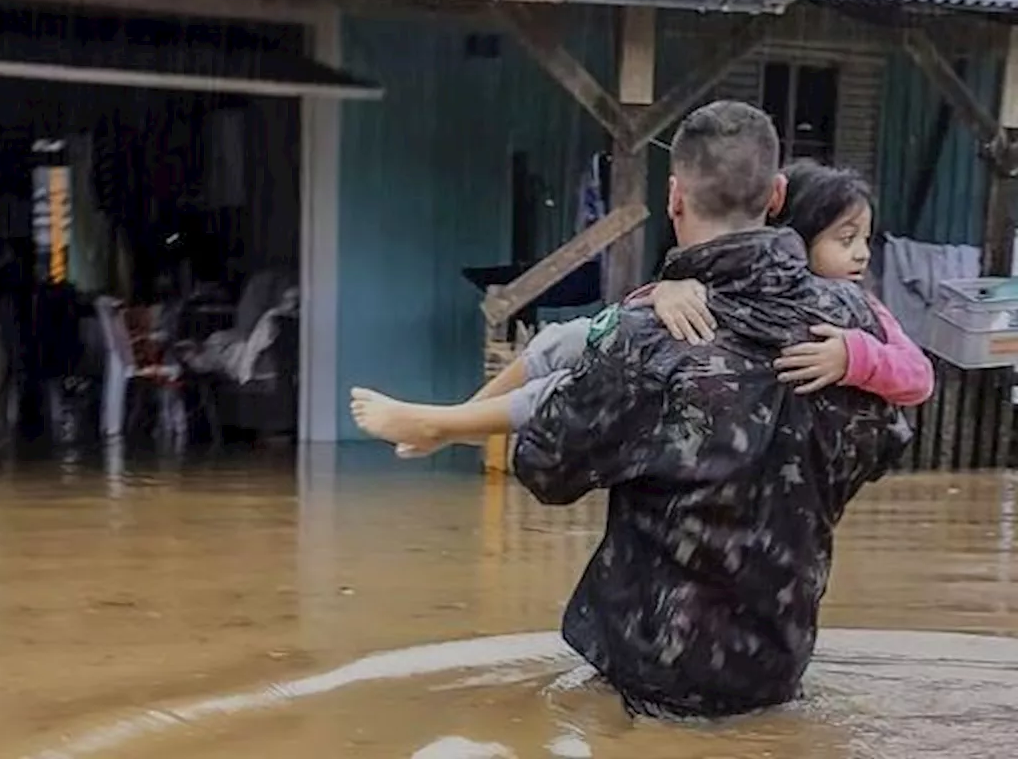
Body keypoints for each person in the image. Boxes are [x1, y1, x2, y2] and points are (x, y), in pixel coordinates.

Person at [371, 100, 912, 718]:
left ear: (674, 196)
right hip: (783, 661)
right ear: (778, 193)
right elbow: (888, 439)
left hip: (657, 671)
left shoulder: (647, 335)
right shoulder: (855, 322)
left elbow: (547, 468)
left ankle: (440, 421)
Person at [349, 161, 933, 453]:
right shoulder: (726, 275)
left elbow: (919, 377)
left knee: (574, 389)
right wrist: (665, 290)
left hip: (738, 422)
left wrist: (853, 357)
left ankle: (444, 426)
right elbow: (637, 320)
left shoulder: (856, 312)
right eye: (844, 238)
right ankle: (457, 423)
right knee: (564, 341)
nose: (859, 254)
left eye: (863, 240)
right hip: (712, 401)